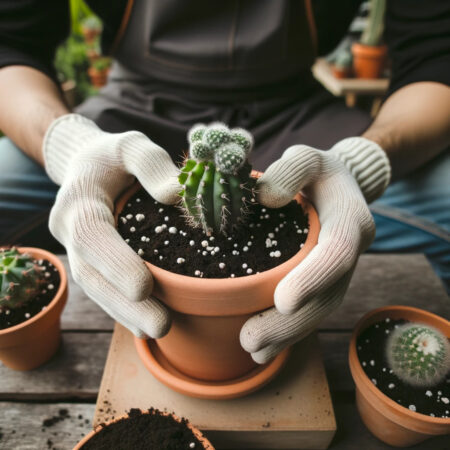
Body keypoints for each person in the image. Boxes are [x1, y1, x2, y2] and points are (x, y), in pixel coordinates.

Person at [0, 1, 449, 364]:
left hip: (299, 113)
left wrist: (365, 157)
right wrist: (67, 143)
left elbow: (438, 57)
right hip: (129, 109)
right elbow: (11, 43)